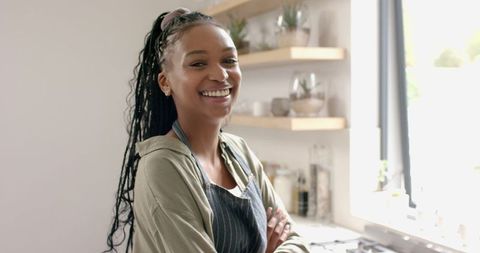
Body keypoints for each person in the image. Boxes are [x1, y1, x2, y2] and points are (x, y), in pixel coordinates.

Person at [104, 7, 309, 253]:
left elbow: (295, 241)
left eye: (229, 60)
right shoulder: (163, 167)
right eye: (198, 63)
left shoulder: (238, 150)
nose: (220, 74)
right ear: (165, 82)